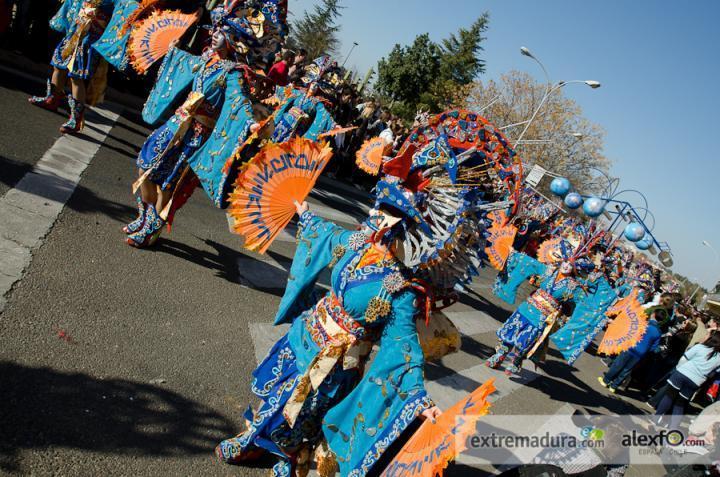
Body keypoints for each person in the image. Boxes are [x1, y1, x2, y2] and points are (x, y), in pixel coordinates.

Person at [216, 109, 521, 477]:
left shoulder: (401, 287)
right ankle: (259, 438)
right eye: (381, 206)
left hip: (339, 361)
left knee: (306, 411)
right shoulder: (361, 242)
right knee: (278, 391)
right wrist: (306, 214)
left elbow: (402, 346)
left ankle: (285, 454)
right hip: (308, 333)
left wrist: (417, 398)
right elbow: (329, 238)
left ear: (412, 228)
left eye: (392, 213)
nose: (380, 216)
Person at [124, 0, 285, 247]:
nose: (213, 35)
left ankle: (151, 228)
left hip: (196, 134)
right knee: (144, 166)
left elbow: (238, 102)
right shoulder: (207, 58)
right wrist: (174, 52)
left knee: (168, 183)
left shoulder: (233, 72)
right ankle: (148, 218)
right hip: (177, 123)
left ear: (231, 40)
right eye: (215, 30)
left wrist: (250, 124)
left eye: (220, 33)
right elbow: (186, 66)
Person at [28, 0, 118, 133]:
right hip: (75, 30)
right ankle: (52, 98)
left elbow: (119, 14)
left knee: (76, 76)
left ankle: (76, 118)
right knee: (59, 65)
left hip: (91, 37)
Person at [655, 331, 720, 430]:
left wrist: (679, 369)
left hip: (682, 373)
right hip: (696, 381)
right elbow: (714, 373)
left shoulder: (700, 347)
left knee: (669, 396)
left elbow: (684, 358)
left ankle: (655, 418)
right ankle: (673, 428)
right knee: (680, 404)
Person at [598, 317, 662, 393]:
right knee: (627, 370)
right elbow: (653, 347)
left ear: (654, 315)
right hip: (640, 353)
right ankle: (614, 386)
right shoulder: (658, 332)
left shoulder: (644, 323)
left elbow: (630, 332)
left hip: (630, 347)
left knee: (618, 365)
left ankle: (606, 381)